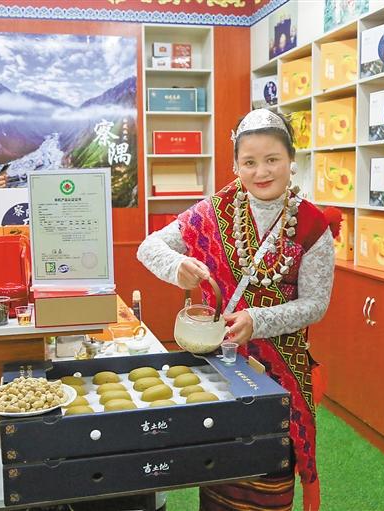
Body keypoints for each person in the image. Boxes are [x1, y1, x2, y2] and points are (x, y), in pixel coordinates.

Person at [137, 109, 339, 511]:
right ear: (235, 166)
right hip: (221, 366)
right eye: (249, 162)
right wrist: (178, 266)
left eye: (272, 159)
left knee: (268, 468)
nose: (261, 172)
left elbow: (316, 304)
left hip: (280, 372)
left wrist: (257, 320)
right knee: (220, 464)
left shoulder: (313, 225)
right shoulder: (214, 211)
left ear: (291, 160)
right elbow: (149, 247)